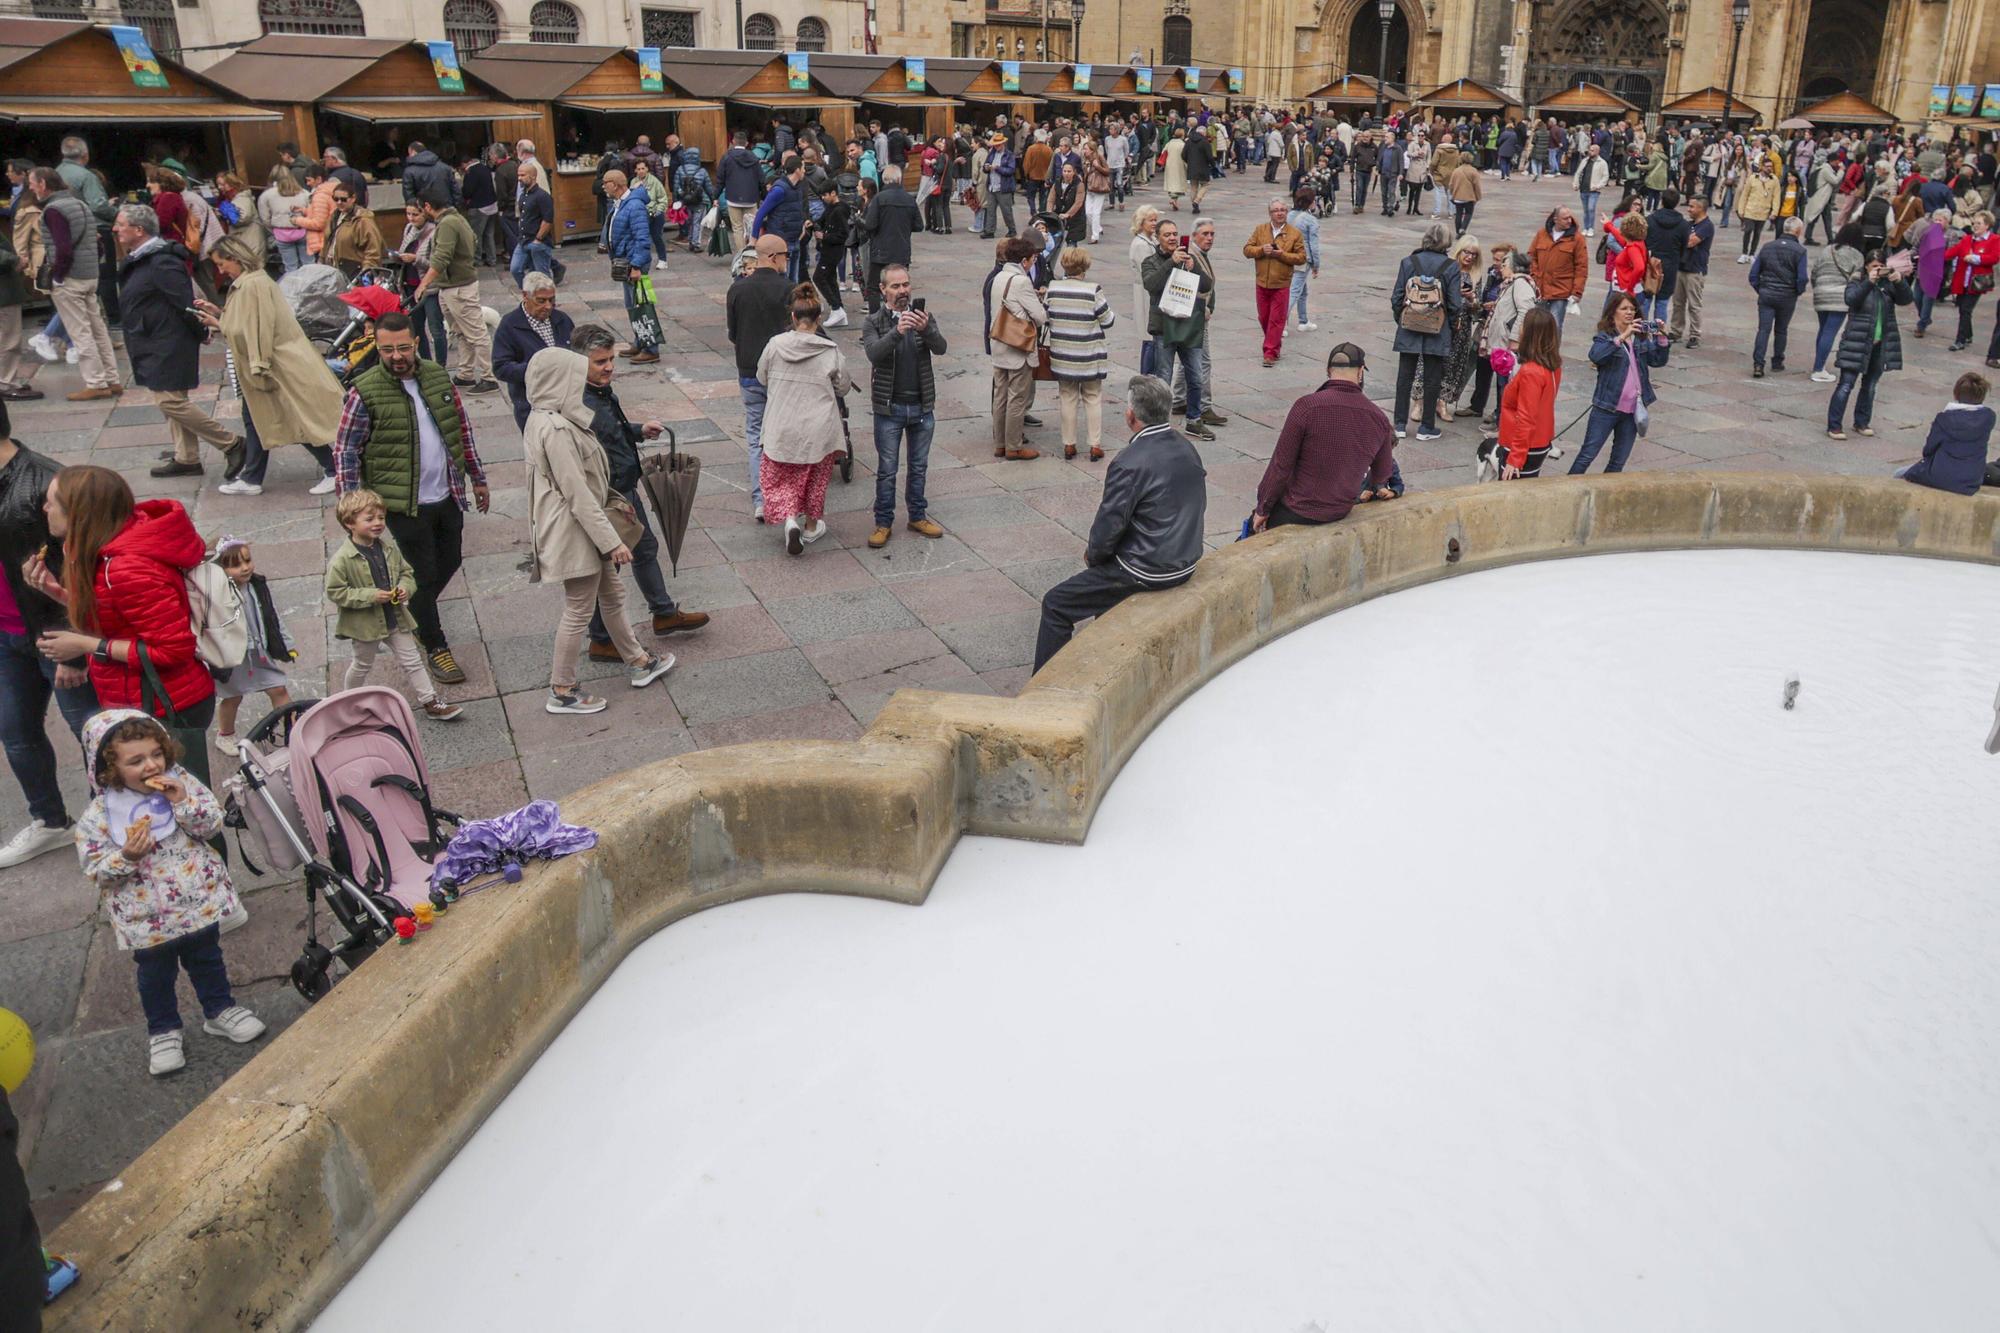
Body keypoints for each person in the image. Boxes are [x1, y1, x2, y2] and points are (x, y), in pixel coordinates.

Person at [75, 708, 266, 1077]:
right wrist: (127, 857)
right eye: (136, 761)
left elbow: (212, 826)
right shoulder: (99, 815)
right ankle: (163, 1030)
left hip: (198, 902)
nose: (150, 766)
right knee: (155, 976)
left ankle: (219, 1009)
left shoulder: (182, 784)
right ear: (110, 768)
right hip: (146, 918)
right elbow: (97, 873)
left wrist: (183, 803)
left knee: (207, 959)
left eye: (156, 754)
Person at [28, 467, 220, 788]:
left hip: (167, 706)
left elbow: (173, 649)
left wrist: (84, 645)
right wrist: (56, 592)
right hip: (136, 698)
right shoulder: (98, 551)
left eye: (52, 503)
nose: (45, 509)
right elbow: (115, 617)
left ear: (78, 513)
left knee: (183, 809)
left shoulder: (126, 567)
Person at [333, 311, 491, 685]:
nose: (396, 355)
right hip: (402, 504)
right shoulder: (364, 389)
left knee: (449, 560)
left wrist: (477, 477)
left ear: (416, 343)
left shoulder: (436, 376)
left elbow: (461, 429)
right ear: (378, 347)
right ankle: (435, 645)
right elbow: (345, 451)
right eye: (387, 349)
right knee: (423, 571)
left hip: (447, 493)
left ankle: (409, 607)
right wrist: (350, 508)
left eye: (403, 347)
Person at [1033, 375, 1205, 672]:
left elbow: (1108, 527)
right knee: (1103, 581)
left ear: (1131, 415)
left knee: (1055, 604)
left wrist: (1094, 557)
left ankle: (1043, 689)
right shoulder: (1186, 446)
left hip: (1148, 568)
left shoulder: (1130, 461)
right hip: (1185, 559)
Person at [560, 325, 708, 660]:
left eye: (611, 359)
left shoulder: (598, 391)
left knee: (644, 549)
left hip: (624, 485)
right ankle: (601, 638)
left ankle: (663, 612)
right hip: (608, 495)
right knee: (607, 569)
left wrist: (638, 430)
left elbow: (612, 434)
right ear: (579, 362)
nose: (609, 366)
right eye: (600, 361)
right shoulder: (580, 402)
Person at [0, 412, 95, 869]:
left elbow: (79, 566)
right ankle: (51, 821)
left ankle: (112, 822)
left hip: (52, 636)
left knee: (92, 733)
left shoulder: (44, 483)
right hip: (5, 635)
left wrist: (73, 645)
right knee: (16, 734)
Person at [191, 234, 341, 498]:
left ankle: (332, 468)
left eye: (221, 263)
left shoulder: (252, 285)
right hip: (270, 363)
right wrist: (219, 314)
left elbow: (257, 329)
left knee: (286, 416)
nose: (220, 269)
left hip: (272, 365)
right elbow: (248, 323)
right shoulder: (253, 281)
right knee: (259, 418)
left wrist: (222, 326)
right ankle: (252, 477)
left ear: (234, 258)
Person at [112, 204, 241, 481]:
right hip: (154, 338)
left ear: (139, 230)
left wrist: (200, 330)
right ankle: (187, 458)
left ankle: (232, 443)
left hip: (167, 341)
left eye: (120, 224)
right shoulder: (145, 258)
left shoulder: (161, 261)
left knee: (169, 401)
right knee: (173, 400)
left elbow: (185, 303)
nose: (115, 229)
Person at [324, 489, 465, 722]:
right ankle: (346, 702)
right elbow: (336, 592)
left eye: (380, 517)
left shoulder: (388, 548)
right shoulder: (342, 560)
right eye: (369, 519)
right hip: (366, 625)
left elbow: (407, 573)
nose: (378, 523)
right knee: (361, 665)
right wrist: (370, 595)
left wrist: (404, 588)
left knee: (413, 660)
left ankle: (430, 701)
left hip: (396, 618)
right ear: (350, 523)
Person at [1251, 343, 1396, 530]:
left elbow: (1280, 466)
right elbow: (1382, 474)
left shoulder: (1306, 407)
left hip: (1296, 510)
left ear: (1328, 371)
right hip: (1340, 510)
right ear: (1360, 372)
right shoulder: (1378, 417)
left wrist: (1262, 509)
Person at [757, 284, 854, 555]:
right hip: (818, 427)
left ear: (793, 318)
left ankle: (789, 519)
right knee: (815, 478)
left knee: (778, 477)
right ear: (819, 318)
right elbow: (843, 386)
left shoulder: (775, 345)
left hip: (782, 423)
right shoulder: (830, 350)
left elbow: (761, 377)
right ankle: (811, 526)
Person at [859, 265, 947, 546]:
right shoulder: (874, 321)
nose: (903, 291)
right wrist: (898, 331)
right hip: (890, 408)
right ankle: (882, 522)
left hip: (921, 406)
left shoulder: (923, 317)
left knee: (918, 466)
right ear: (883, 289)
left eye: (906, 285)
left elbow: (941, 347)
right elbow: (874, 353)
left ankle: (917, 515)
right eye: (896, 286)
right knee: (887, 470)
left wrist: (927, 329)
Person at [29, 168, 117, 401]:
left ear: (43, 184)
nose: (31, 188)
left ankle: (96, 383)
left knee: (81, 333)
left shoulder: (53, 210)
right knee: (98, 330)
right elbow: (95, 242)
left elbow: (63, 248)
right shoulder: (80, 204)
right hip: (89, 274)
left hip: (71, 277)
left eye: (33, 183)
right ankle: (112, 379)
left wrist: (57, 276)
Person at [726, 235, 795, 521]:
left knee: (756, 436)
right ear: (775, 257)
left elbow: (733, 334)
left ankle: (761, 500)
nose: (787, 261)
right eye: (786, 256)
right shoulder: (789, 288)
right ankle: (787, 499)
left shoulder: (737, 290)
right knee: (784, 435)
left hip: (749, 372)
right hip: (783, 374)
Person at [206, 537, 293, 753]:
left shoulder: (256, 584)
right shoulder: (216, 593)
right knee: (232, 696)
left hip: (259, 652)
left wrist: (286, 643)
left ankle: (295, 730)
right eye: (236, 565)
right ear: (220, 569)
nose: (245, 568)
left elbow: (271, 616)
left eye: (247, 560)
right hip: (233, 656)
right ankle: (225, 735)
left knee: (278, 688)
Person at [1567, 292, 1668, 475]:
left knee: (1618, 461)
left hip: (1632, 410)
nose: (1629, 312)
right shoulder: (1606, 337)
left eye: (1632, 309)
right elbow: (1596, 356)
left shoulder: (1640, 337)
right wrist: (1621, 337)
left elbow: (1657, 361)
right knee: (1587, 455)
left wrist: (1661, 337)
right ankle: (1567, 490)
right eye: (1624, 309)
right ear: (1613, 312)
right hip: (1607, 407)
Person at [411, 194, 496, 393]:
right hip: (453, 285)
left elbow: (441, 257)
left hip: (458, 287)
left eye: (420, 209)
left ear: (427, 206)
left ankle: (489, 377)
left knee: (476, 333)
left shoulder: (448, 223)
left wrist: (423, 284)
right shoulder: (457, 218)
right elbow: (473, 241)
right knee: (461, 332)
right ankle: (465, 374)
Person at [1389, 222, 1465, 442]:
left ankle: (1400, 424)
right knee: (1433, 379)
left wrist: (1403, 319)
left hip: (1409, 328)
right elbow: (1455, 304)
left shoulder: (1408, 262)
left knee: (1404, 377)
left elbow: (1396, 298)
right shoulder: (1451, 266)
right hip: (1437, 329)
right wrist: (1447, 326)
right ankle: (1426, 427)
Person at [1825, 250, 1913, 440]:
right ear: (1866, 266)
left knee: (1871, 385)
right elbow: (1851, 299)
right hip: (1856, 341)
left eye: (1881, 266)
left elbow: (1906, 299)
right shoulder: (1857, 281)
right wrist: (1869, 282)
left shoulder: (1887, 285)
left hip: (1880, 343)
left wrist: (1900, 281)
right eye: (1874, 266)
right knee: (1846, 385)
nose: (1878, 270)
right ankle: (1834, 425)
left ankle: (1862, 422)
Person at [1143, 219, 1216, 443]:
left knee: (1195, 374)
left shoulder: (1190, 258)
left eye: (1175, 234)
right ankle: (1161, 424)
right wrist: (1170, 264)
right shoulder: (1151, 261)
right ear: (1157, 237)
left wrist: (1195, 270)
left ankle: (1194, 420)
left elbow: (1206, 286)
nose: (1173, 238)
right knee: (1163, 376)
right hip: (1164, 327)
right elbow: (1151, 285)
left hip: (1188, 326)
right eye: (1167, 235)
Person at [1045, 247, 1117, 462]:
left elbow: (1047, 318)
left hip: (1063, 355)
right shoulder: (1092, 290)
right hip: (1088, 355)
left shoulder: (1053, 288)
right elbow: (1108, 320)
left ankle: (1069, 444)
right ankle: (1094, 445)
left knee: (1067, 398)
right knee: (1093, 398)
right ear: (1085, 266)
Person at [988, 236, 1047, 462]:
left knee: (1000, 396)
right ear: (1024, 260)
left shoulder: (999, 276)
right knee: (1017, 398)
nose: (1033, 263)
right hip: (1017, 346)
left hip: (999, 343)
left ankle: (1000, 444)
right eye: (1032, 259)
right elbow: (1040, 317)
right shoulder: (1021, 282)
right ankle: (1014, 446)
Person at [494, 272, 576, 430]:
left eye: (552, 300)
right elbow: (501, 368)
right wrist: (538, 368)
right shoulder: (510, 325)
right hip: (532, 407)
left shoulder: (561, 319)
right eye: (541, 301)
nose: (548, 306)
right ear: (525, 296)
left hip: (566, 402)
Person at [1491, 307, 1564, 480]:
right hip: (1540, 439)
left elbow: (1525, 417)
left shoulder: (1531, 371)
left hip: (1524, 445)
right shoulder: (1552, 365)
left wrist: (1515, 458)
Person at [1168, 218, 1225, 437]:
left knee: (1188, 360)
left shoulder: (1199, 254)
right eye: (1205, 234)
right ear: (1193, 236)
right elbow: (1184, 286)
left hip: (1197, 315)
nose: (1209, 238)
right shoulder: (1190, 256)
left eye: (1212, 234)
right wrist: (1203, 308)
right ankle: (1203, 406)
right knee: (1202, 361)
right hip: (1195, 316)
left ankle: (1180, 399)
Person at [601, 170, 659, 366]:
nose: (603, 186)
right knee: (632, 305)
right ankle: (640, 341)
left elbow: (642, 238)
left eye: (606, 182)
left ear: (616, 185)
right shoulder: (621, 204)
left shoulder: (634, 206)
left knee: (641, 306)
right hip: (625, 261)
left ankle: (651, 348)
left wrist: (636, 266)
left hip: (634, 263)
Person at [1900, 373, 1993, 495]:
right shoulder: (1989, 417)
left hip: (1941, 476)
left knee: (1899, 473)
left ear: (1956, 394)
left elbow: (1928, 450)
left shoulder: (1944, 418)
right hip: (1971, 480)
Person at [1243, 197, 1307, 368]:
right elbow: (1247, 250)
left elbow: (1301, 258)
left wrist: (1282, 255)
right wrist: (1261, 250)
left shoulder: (1295, 234)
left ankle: (1269, 352)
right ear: (1270, 213)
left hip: (1282, 283)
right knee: (1264, 318)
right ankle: (1275, 346)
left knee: (1276, 320)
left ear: (1287, 212)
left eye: (1283, 210)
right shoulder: (1260, 230)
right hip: (1262, 282)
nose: (1279, 213)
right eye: (1276, 210)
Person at [1749, 216, 1811, 377]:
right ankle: (1777, 361)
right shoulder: (1800, 251)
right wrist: (1797, 291)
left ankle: (1758, 363)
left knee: (1763, 329)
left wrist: (1761, 289)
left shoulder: (1767, 247)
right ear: (1798, 231)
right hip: (1787, 295)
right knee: (1781, 329)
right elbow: (1802, 277)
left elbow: (1753, 274)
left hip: (1767, 293)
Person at [1809, 223, 1867, 382]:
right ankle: (1818, 369)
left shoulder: (1827, 250)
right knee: (1830, 332)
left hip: (1821, 293)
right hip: (1839, 297)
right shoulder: (1857, 255)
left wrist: (1818, 288)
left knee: (1823, 330)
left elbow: (1814, 271)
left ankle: (1818, 364)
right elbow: (1856, 280)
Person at [857, 167, 918, 314]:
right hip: (901, 251)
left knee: (874, 288)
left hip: (880, 251)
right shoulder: (909, 199)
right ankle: (901, 319)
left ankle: (876, 322)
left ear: (884, 180)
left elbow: (870, 224)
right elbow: (919, 225)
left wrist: (858, 221)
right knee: (900, 287)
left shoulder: (880, 198)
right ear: (899, 179)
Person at [1944, 210, 2000, 354]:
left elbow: (1994, 258)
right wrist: (1936, 256)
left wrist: (1976, 258)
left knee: (1965, 309)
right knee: (1963, 308)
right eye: (1974, 223)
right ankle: (1968, 335)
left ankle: (1960, 340)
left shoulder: (1994, 240)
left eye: (1979, 223)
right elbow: (1953, 252)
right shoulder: (1967, 239)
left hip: (1977, 282)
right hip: (1962, 280)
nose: (1975, 226)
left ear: (1987, 226)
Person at [1528, 206, 1588, 329]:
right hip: (1540, 290)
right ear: (1556, 219)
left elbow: (1581, 267)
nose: (1569, 221)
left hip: (1561, 292)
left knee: (1555, 326)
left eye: (1570, 217)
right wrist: (1534, 276)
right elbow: (1531, 256)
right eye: (1565, 218)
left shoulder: (1577, 239)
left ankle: (1552, 349)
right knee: (1537, 326)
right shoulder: (1542, 234)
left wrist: (1577, 292)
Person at [1669, 195, 1715, 348]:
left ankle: (1695, 334)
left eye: (1692, 207)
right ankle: (1676, 331)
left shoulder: (1706, 226)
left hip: (1695, 269)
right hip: (1681, 267)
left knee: (1694, 305)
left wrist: (1682, 240)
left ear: (1701, 208)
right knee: (1678, 302)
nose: (1688, 209)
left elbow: (1689, 242)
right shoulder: (1689, 224)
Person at [1643, 188, 1687, 323]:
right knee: (1662, 303)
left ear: (1661, 201)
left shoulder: (1650, 220)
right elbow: (1684, 247)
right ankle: (1658, 335)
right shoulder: (1683, 225)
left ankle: (1642, 335)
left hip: (1651, 264)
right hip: (1670, 266)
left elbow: (1644, 242)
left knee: (1645, 302)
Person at [512, 161, 557, 288]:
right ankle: (529, 292)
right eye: (518, 175)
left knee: (542, 276)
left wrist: (538, 238)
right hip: (523, 240)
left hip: (538, 242)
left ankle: (547, 298)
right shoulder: (523, 195)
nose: (519, 178)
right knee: (515, 269)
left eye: (522, 175)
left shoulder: (543, 196)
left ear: (533, 176)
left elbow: (548, 220)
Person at [1127, 205, 1161, 373]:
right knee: (1148, 337)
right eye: (1151, 220)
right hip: (1145, 292)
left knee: (1151, 337)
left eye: (1156, 220)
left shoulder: (1151, 239)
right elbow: (1148, 271)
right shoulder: (1141, 244)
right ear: (1141, 222)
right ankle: (1147, 375)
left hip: (1149, 292)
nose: (1155, 223)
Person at [258, 164, 310, 272]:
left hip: (282, 234)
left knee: (291, 267)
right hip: (303, 231)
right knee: (309, 264)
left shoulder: (266, 195)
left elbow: (265, 219)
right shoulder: (304, 193)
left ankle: (295, 288)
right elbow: (311, 213)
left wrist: (274, 230)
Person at [1288, 189, 1321, 335]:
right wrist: (1316, 265)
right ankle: (1280, 322)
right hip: (1303, 258)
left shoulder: (1289, 215)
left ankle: (1303, 320)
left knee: (1302, 290)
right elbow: (1314, 246)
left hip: (1288, 255)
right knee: (1294, 291)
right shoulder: (1310, 220)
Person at [1736, 156, 1779, 261]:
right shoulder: (1753, 178)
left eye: (1771, 167)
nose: (1769, 168)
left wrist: (1774, 212)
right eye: (1767, 166)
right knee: (1748, 230)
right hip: (1750, 210)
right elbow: (1744, 195)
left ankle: (1752, 254)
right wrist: (1741, 210)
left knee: (1757, 233)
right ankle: (1744, 253)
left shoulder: (1774, 180)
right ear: (1762, 167)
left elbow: (1776, 197)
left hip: (1763, 211)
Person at [1447, 151, 1483, 235]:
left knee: (1458, 214)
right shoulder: (1473, 171)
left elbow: (1451, 184)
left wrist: (1452, 194)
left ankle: (1457, 231)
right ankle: (1463, 228)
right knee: (1468, 213)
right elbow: (1477, 185)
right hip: (1469, 197)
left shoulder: (1456, 171)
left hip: (1458, 197)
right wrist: (1478, 197)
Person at [1161, 128, 1189, 212]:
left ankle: (1174, 201)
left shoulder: (1169, 143)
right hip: (1179, 165)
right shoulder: (1183, 144)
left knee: (1172, 184)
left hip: (1170, 164)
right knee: (1178, 184)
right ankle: (1174, 200)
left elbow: (1163, 152)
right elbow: (1186, 155)